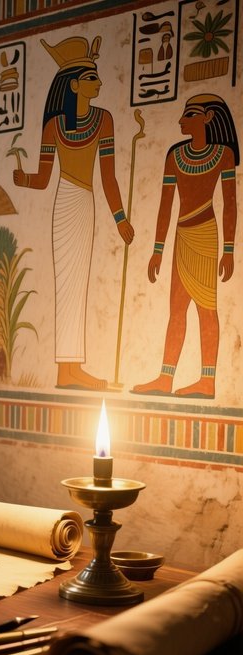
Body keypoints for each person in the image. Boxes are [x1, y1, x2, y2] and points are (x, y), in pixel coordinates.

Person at [13, 36, 134, 390]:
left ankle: (72, 370)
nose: (100, 83)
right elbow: (44, 178)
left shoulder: (104, 120)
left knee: (77, 285)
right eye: (93, 77)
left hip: (85, 204)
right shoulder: (54, 126)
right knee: (65, 285)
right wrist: (23, 179)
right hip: (64, 203)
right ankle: (67, 371)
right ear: (75, 84)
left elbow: (108, 176)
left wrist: (121, 218)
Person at [132, 94, 238, 400]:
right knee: (176, 311)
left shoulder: (223, 155)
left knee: (207, 309)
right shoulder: (174, 156)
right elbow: (165, 205)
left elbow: (229, 204)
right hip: (182, 236)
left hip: (206, 234)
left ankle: (207, 381)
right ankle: (165, 378)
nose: (181, 120)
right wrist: (157, 250)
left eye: (188, 115)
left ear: (206, 119)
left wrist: (228, 251)